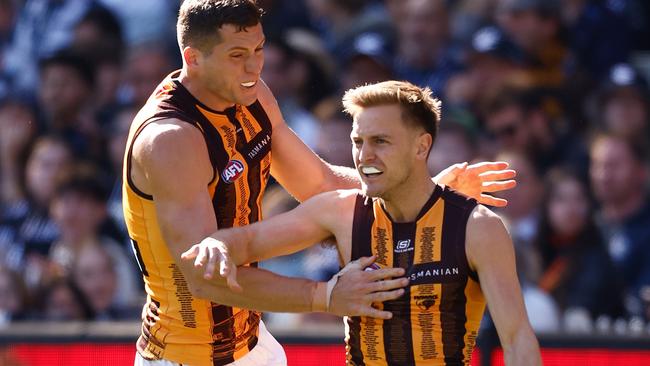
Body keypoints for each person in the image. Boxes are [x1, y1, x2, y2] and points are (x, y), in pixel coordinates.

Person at [125, 1, 517, 365]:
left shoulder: (249, 93)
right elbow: (202, 278)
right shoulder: (170, 139)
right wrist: (325, 296)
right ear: (193, 59)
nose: (254, 69)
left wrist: (424, 193)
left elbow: (320, 183)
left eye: (259, 50)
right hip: (184, 355)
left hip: (252, 341)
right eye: (237, 56)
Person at [183, 80, 540, 365]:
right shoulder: (341, 211)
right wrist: (218, 244)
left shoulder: (477, 226)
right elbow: (242, 244)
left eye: (380, 142)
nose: (364, 156)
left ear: (421, 146)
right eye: (358, 141)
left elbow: (517, 338)